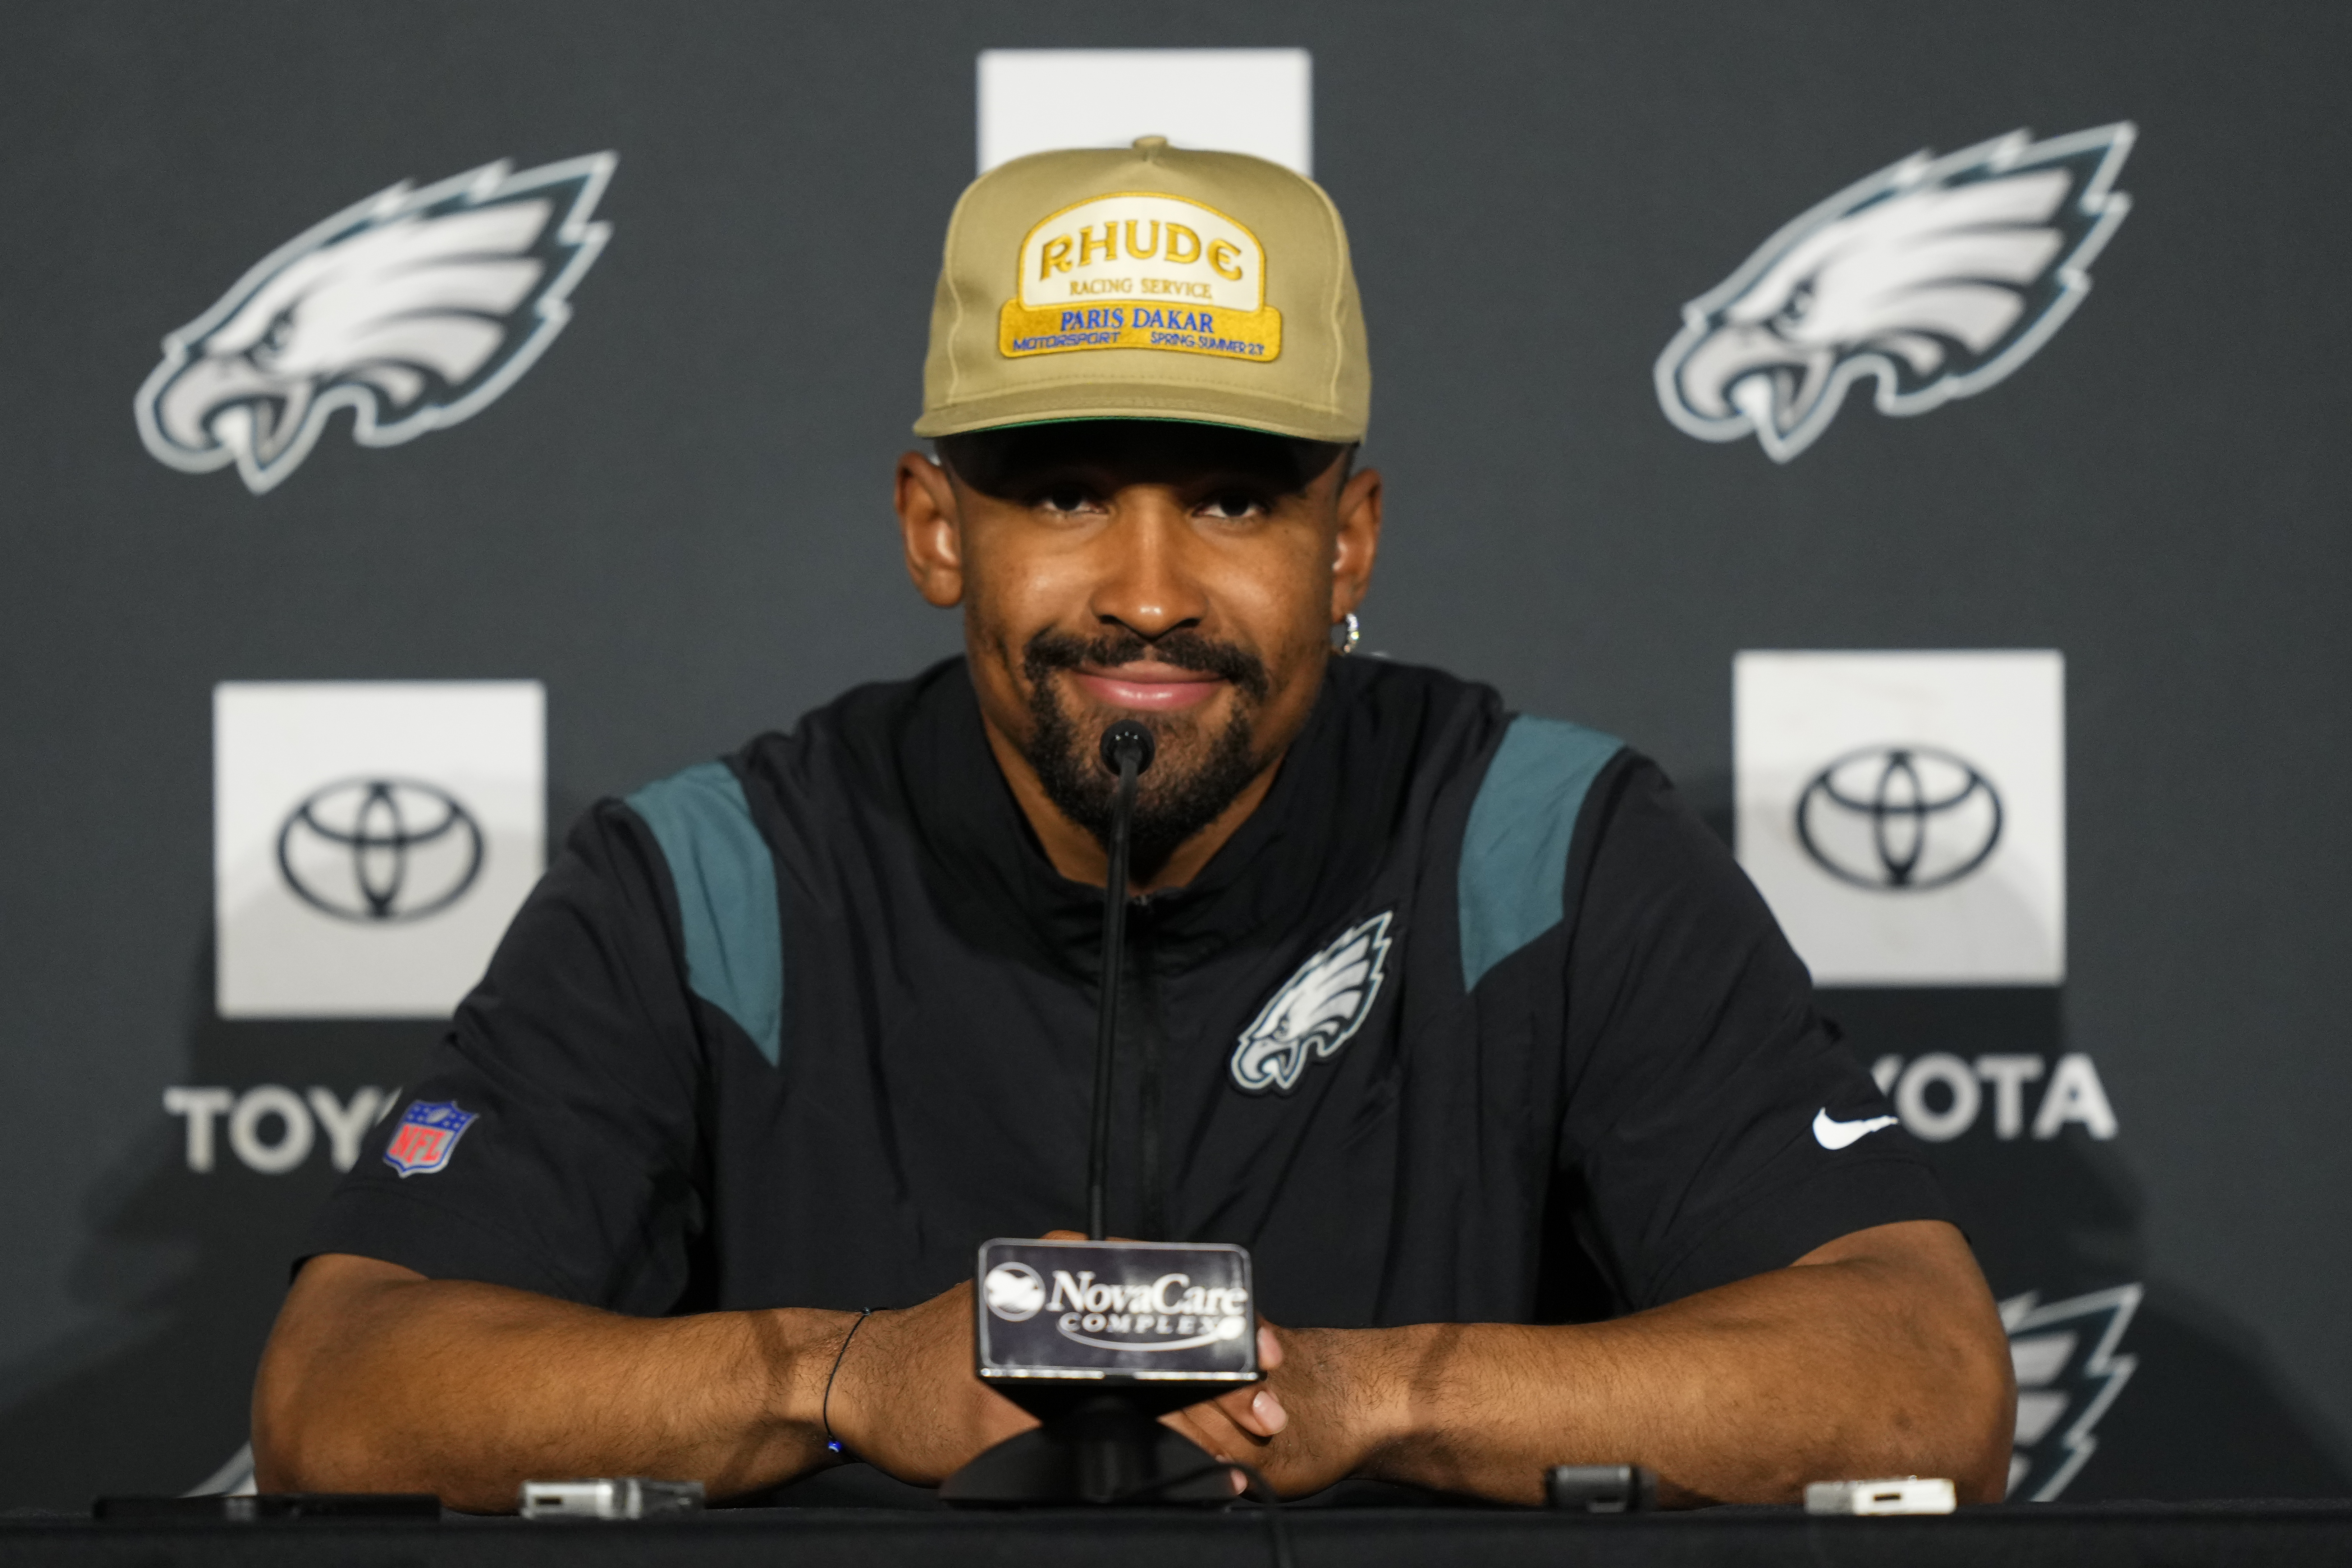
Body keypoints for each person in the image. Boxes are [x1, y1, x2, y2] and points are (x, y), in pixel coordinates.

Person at [252, 137, 2013, 1512]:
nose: (1152, 591)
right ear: (937, 528)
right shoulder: (721, 876)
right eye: (1069, 492)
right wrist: (840, 1372)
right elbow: (340, 1389)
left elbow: (1923, 1372)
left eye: (1238, 495)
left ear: (1353, 540)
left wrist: (1359, 1393)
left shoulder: (1540, 845)